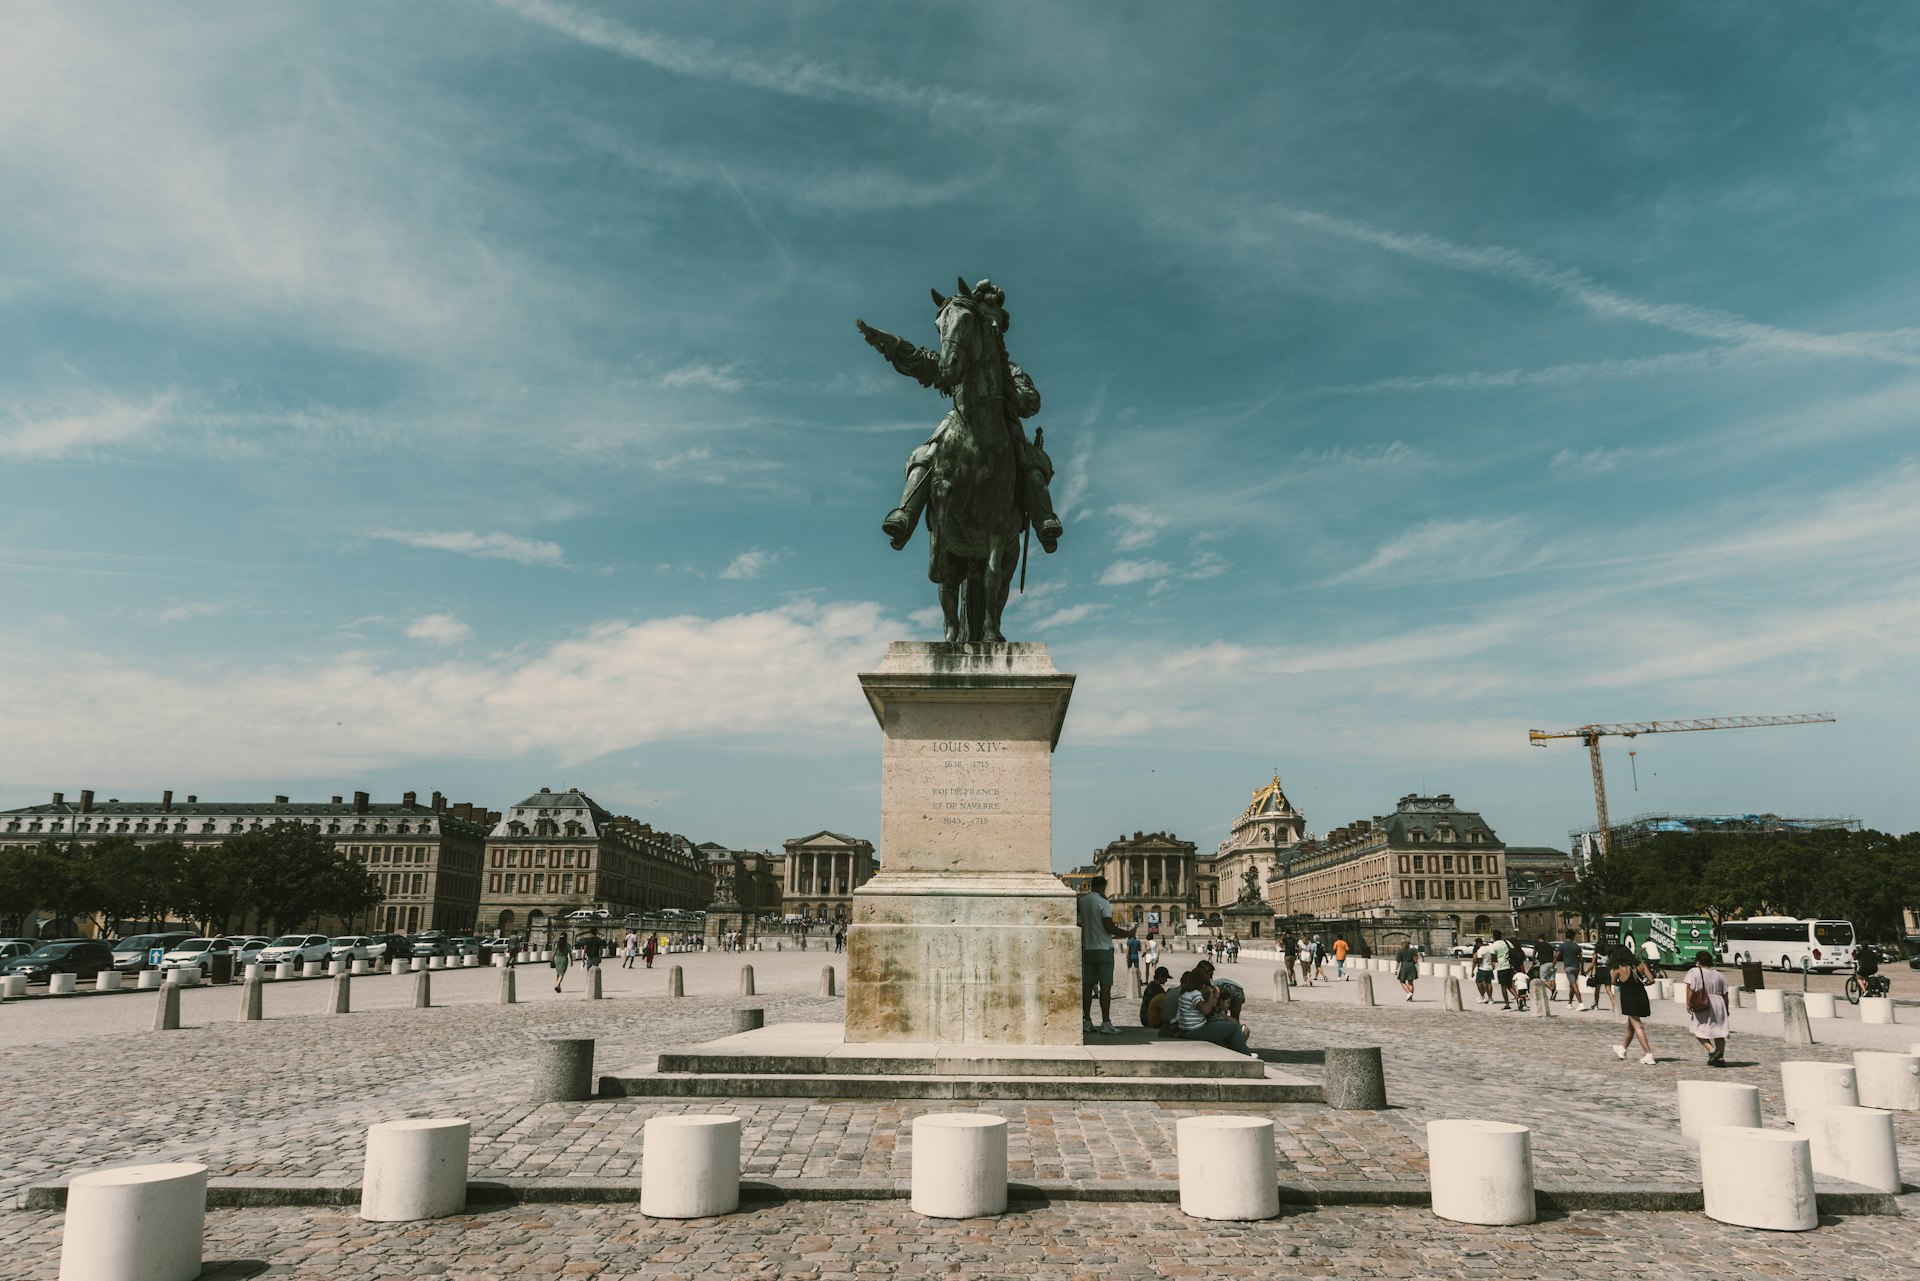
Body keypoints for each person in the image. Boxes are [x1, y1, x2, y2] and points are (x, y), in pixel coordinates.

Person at [1078, 875, 1135, 1035]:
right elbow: (1109, 927)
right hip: (1103, 949)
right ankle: (1105, 1022)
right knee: (1105, 987)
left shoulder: (1083, 901)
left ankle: (1087, 1021)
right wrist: (1127, 933)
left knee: (1088, 987)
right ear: (1103, 886)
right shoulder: (1103, 902)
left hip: (1088, 948)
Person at [1173, 970, 1253, 1055]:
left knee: (1225, 1034)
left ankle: (1238, 1053)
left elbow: (1210, 1006)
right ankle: (1246, 1055)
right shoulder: (1195, 994)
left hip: (1185, 1029)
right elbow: (1206, 1010)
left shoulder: (1184, 993)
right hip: (1196, 1030)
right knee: (1234, 1027)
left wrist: (1214, 996)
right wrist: (1211, 995)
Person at [1610, 946, 1657, 1064]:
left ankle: (1648, 1054)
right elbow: (1651, 980)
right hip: (1641, 996)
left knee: (1637, 1026)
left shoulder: (1619, 969)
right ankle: (1623, 1049)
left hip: (1629, 998)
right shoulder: (1641, 965)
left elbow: (1614, 982)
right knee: (1630, 1025)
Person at [1683, 951, 1731, 1066]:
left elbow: (1690, 988)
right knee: (1719, 1031)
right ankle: (1720, 1058)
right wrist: (1726, 1008)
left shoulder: (1694, 971)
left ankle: (1713, 1051)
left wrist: (1688, 1002)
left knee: (1698, 1029)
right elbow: (1725, 994)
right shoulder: (1720, 975)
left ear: (1698, 961)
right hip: (1719, 1002)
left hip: (1703, 1001)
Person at [1489, 931, 1516, 1010]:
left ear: (1494, 937)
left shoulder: (1493, 946)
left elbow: (1493, 958)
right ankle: (1518, 998)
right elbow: (1513, 950)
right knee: (1509, 985)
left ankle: (1507, 1004)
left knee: (1503, 987)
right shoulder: (1506, 942)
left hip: (1502, 967)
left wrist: (1493, 966)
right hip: (1509, 966)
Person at [1557, 933, 1584, 1008]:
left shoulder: (1562, 945)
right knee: (1572, 985)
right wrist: (1582, 969)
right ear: (1572, 937)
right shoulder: (1577, 946)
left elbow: (1557, 955)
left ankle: (1581, 1003)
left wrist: (1553, 965)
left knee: (1574, 985)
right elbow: (1581, 958)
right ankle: (1569, 1003)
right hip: (1576, 967)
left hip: (1568, 967)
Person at [1471, 937, 1494, 1005]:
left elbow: (1479, 960)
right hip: (1489, 968)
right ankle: (1490, 998)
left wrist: (1475, 962)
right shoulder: (1488, 948)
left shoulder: (1480, 950)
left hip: (1482, 968)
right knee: (1489, 983)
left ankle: (1482, 996)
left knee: (1478, 981)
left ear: (1478, 943)